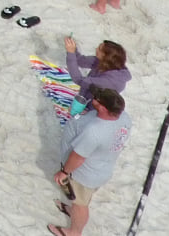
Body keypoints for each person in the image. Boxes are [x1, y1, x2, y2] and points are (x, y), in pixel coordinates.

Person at [53, 87, 131, 236]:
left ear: (102, 108)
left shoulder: (94, 131)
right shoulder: (124, 118)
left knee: (80, 204)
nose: (93, 99)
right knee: (81, 199)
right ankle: (74, 212)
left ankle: (74, 232)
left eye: (97, 99)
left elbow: (78, 157)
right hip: (101, 168)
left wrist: (64, 172)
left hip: (84, 176)